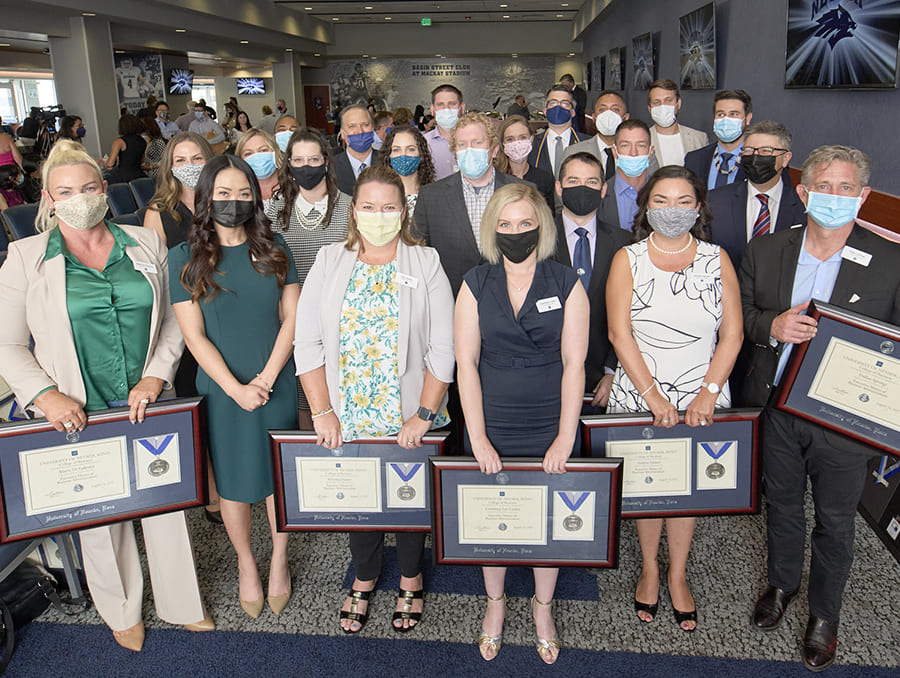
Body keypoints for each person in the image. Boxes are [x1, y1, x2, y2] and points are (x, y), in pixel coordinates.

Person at [0, 140, 213, 651]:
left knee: (164, 503)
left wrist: (157, 375)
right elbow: (6, 345)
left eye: (90, 187)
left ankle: (182, 601)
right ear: (48, 198)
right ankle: (120, 609)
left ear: (105, 188)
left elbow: (172, 322)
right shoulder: (27, 258)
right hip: (77, 405)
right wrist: (45, 395)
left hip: (146, 398)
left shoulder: (144, 243)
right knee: (100, 517)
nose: (81, 198)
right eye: (67, 191)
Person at [741, 145, 900, 672]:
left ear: (864, 196)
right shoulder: (766, 250)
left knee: (835, 521)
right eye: (824, 187)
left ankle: (824, 616)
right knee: (782, 505)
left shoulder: (890, 260)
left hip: (844, 419)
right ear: (803, 192)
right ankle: (783, 584)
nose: (834, 197)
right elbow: (740, 315)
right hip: (778, 407)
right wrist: (771, 327)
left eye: (847, 188)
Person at [295, 165, 455, 634]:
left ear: (403, 212)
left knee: (408, 500)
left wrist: (424, 414)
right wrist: (322, 411)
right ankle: (364, 578)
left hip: (410, 416)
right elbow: (308, 344)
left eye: (389, 207)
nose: (379, 215)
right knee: (359, 503)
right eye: (369, 207)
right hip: (347, 416)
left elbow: (442, 348)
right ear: (354, 211)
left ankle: (410, 575)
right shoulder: (328, 260)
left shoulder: (425, 262)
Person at [455, 182, 589, 664]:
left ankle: (542, 607)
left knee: (546, 520)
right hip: (492, 419)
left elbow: (575, 365)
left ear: (541, 227)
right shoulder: (473, 282)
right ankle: (495, 605)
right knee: (492, 519)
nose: (515, 232)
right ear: (493, 229)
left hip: (548, 419)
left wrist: (565, 437)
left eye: (525, 224)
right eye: (505, 225)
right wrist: (477, 438)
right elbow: (465, 365)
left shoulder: (567, 283)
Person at [606, 165, 743, 632]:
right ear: (646, 207)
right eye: (661, 200)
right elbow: (619, 333)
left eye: (684, 201)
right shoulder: (628, 258)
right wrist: (651, 396)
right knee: (650, 487)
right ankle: (649, 567)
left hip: (702, 395)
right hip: (641, 392)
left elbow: (733, 334)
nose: (671, 210)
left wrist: (707, 393)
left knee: (686, 490)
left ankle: (678, 573)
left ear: (698, 208)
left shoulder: (715, 258)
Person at [169, 154, 300, 620]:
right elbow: (193, 336)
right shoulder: (183, 257)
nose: (234, 201)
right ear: (206, 198)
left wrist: (264, 379)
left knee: (277, 477)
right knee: (234, 481)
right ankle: (248, 561)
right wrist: (236, 388)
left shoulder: (274, 245)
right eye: (223, 193)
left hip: (275, 380)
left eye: (244, 193)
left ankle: (279, 560)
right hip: (223, 390)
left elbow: (292, 321)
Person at [142, 131, 222, 521]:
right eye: (181, 161)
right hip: (184, 316)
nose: (189, 167)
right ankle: (209, 490)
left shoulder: (223, 198)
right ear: (169, 168)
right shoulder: (159, 212)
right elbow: (156, 276)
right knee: (197, 405)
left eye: (196, 159)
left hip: (224, 309)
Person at [265, 127, 352, 427]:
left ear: (327, 162)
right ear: (288, 164)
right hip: (289, 323)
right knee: (305, 411)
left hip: (340, 323)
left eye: (313, 159)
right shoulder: (275, 211)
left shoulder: (350, 208)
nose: (306, 167)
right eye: (298, 160)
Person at [414, 111, 523, 296]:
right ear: (455, 152)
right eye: (462, 145)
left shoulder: (522, 192)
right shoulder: (430, 197)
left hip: (511, 298)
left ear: (494, 149)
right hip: (450, 300)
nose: (469, 150)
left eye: (477, 143)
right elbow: (417, 255)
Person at [553, 152, 630, 407]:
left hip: (604, 381)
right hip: (549, 380)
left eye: (592, 182)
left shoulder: (625, 243)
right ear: (559, 187)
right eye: (573, 181)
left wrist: (613, 372)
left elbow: (634, 315)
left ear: (603, 188)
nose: (583, 188)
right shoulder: (536, 240)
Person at [708, 120, 806, 273]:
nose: (755, 157)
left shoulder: (803, 206)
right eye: (748, 150)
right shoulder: (715, 201)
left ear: (786, 158)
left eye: (765, 151)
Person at [684, 90, 754, 190]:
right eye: (721, 114)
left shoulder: (756, 160)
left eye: (734, 114)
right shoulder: (694, 159)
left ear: (747, 118)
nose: (726, 120)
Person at [599, 119, 655, 232]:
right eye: (625, 146)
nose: (633, 153)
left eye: (641, 146)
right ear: (614, 151)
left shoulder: (662, 193)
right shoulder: (600, 195)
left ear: (650, 151)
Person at [563, 90, 633, 180]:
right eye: (602, 110)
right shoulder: (573, 152)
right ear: (594, 117)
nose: (608, 115)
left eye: (615, 110)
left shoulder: (639, 153)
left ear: (626, 117)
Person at [494, 115, 554, 210]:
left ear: (531, 139)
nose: (517, 143)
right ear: (502, 143)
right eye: (510, 139)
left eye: (522, 137)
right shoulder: (494, 178)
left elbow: (550, 217)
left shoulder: (545, 179)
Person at [527, 84, 586, 178]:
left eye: (565, 103)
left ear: (573, 112)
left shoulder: (587, 143)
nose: (558, 107)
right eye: (553, 103)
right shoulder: (531, 145)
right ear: (545, 111)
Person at [647, 79, 708, 167]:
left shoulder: (698, 139)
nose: (663, 106)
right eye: (656, 102)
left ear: (678, 103)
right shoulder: (642, 140)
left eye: (668, 100)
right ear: (650, 109)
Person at [377, 125, 435, 217]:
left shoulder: (435, 195)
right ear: (388, 155)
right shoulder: (378, 196)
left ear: (421, 155)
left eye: (411, 149)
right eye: (396, 150)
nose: (403, 155)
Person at [334, 105, 379, 195]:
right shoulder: (331, 167)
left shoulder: (388, 162)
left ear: (373, 128)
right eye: (352, 126)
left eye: (365, 125)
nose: (360, 131)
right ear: (342, 133)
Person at [425, 84, 465, 180]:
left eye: (452, 104)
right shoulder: (423, 143)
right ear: (432, 109)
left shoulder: (475, 141)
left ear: (462, 108)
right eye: (440, 104)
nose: (446, 109)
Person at [236, 129, 284, 201]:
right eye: (248, 153)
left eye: (263, 150)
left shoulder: (296, 186)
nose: (257, 157)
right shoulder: (237, 194)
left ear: (275, 151)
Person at [101, 113, 147, 183]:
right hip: (140, 175)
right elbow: (142, 160)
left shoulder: (119, 141)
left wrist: (104, 163)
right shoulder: (142, 141)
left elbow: (110, 163)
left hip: (123, 177)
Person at [138, 107, 166, 178]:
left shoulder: (157, 141)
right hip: (146, 173)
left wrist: (152, 166)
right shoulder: (142, 139)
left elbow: (166, 158)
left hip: (157, 173)